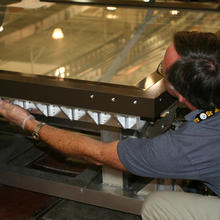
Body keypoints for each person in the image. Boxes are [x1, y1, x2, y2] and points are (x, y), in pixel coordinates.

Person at [0, 31, 220, 219]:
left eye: (162, 69)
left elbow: (98, 153)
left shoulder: (189, 146)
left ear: (180, 93)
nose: (160, 69)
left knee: (157, 205)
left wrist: (29, 123)